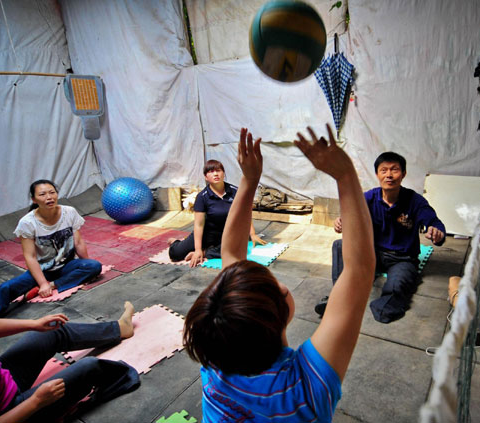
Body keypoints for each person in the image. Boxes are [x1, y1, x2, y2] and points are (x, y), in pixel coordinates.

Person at [183, 125, 375, 422]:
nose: (281, 283)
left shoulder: (216, 363)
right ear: (283, 303)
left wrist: (249, 180)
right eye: (274, 284)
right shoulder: (306, 389)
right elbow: (360, 269)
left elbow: (231, 255)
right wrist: (345, 175)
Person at [315, 152, 446, 323]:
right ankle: (339, 298)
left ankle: (384, 306)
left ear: (403, 174)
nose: (389, 175)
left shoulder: (414, 200)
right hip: (372, 253)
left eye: (394, 170)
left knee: (397, 286)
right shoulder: (370, 197)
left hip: (402, 258)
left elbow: (433, 221)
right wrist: (341, 222)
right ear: (377, 174)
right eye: (383, 170)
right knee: (340, 245)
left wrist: (437, 231)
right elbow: (351, 214)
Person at [0, 302, 140, 422]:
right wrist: (35, 402)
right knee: (90, 367)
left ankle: (120, 328)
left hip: (0, 380)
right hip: (7, 411)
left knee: (52, 330)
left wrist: (34, 324)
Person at [0, 180, 102, 318]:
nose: (49, 197)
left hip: (67, 265)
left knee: (94, 266)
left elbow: (78, 242)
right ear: (34, 199)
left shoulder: (69, 212)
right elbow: (29, 256)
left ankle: (53, 285)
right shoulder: (27, 222)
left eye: (52, 192)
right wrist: (43, 283)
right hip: (43, 270)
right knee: (8, 287)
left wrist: (88, 272)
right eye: (42, 194)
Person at [168, 159, 266, 267]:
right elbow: (199, 225)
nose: (215, 174)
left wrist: (252, 234)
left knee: (235, 252)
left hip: (228, 233)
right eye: (211, 171)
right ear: (206, 177)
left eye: (218, 170)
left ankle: (207, 252)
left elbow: (245, 214)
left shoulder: (235, 191)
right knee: (175, 254)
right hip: (208, 234)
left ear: (223, 173)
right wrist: (198, 249)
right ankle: (176, 242)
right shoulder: (202, 197)